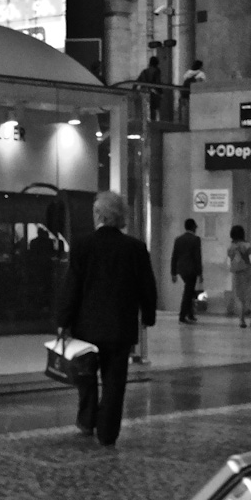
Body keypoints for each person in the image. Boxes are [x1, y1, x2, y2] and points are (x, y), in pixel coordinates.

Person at [58, 191, 157, 447]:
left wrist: (63, 320)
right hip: (120, 327)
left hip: (87, 326)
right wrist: (148, 315)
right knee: (115, 381)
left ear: (99, 215)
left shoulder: (83, 245)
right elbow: (147, 286)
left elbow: (72, 286)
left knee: (86, 375)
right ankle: (108, 432)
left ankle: (87, 419)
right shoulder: (135, 248)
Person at [227, 225, 251, 328]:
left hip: (237, 274)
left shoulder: (231, 248)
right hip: (249, 274)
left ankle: (241, 321)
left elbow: (229, 263)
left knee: (240, 298)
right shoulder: (247, 246)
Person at [171, 218, 203, 324]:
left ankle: (190, 314)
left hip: (181, 269)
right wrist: (200, 273)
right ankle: (182, 315)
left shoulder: (178, 239)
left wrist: (173, 272)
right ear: (193, 227)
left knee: (190, 291)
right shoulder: (196, 239)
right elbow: (197, 257)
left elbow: (174, 256)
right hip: (191, 269)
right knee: (188, 293)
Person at [136, 55, 164, 120]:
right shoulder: (157, 71)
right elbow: (158, 83)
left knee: (144, 111)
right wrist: (161, 93)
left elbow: (137, 82)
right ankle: (153, 123)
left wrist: (133, 91)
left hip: (143, 92)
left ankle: (145, 123)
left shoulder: (144, 71)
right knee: (153, 111)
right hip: (153, 93)